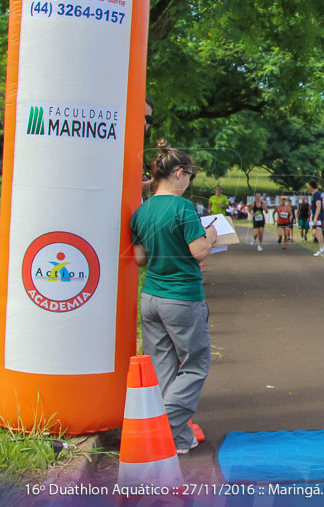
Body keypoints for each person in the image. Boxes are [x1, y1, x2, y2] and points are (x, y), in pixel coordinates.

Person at [130, 140, 217, 454]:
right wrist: (211, 235)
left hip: (151, 296)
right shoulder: (183, 208)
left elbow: (139, 259)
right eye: (190, 175)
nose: (189, 181)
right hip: (182, 297)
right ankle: (159, 429)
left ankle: (176, 441)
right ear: (179, 173)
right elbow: (199, 251)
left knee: (163, 366)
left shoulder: (142, 211)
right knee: (194, 365)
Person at [308, 182, 324, 256]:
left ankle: (322, 249)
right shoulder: (319, 194)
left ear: (312, 186)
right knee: (314, 232)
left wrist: (315, 217)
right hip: (316, 215)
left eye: (309, 186)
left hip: (318, 216)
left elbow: (318, 206)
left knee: (318, 232)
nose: (308, 188)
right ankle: (323, 248)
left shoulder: (317, 194)